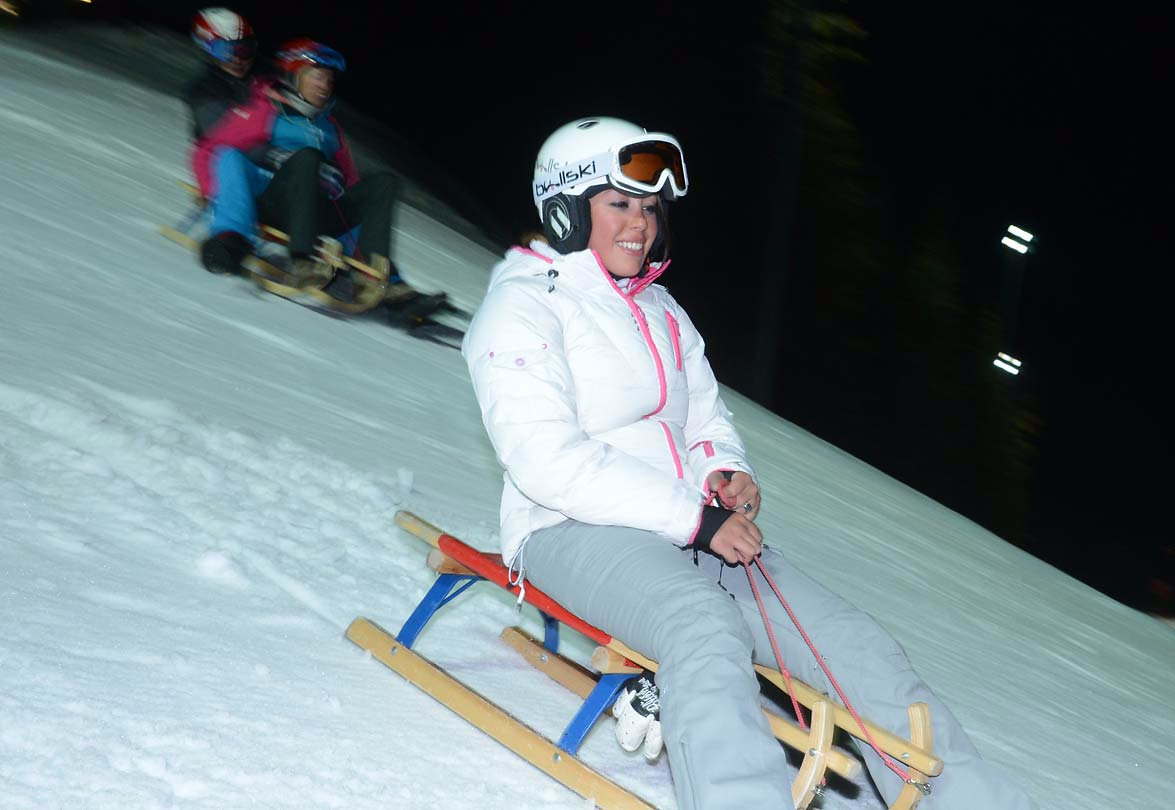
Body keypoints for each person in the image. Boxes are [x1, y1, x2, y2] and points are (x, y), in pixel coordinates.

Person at [461, 117, 1036, 809]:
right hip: (567, 531)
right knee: (702, 625)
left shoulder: (662, 309)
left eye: (650, 207)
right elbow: (546, 461)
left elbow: (704, 415)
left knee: (854, 644)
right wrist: (694, 520)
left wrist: (721, 471)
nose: (640, 224)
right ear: (564, 209)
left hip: (692, 529)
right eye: (618, 204)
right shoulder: (522, 309)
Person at [192, 38, 415, 312]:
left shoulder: (330, 127)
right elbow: (212, 151)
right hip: (275, 204)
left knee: (383, 182)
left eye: (329, 80)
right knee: (303, 158)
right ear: (295, 75)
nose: (325, 86)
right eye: (317, 77)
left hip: (319, 212)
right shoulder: (266, 110)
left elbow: (351, 186)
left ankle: (379, 274)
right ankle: (300, 259)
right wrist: (211, 195)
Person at [181, 8, 256, 143]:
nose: (237, 59)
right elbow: (223, 137)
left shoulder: (262, 80)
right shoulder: (203, 92)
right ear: (207, 52)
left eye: (244, 50)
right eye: (224, 52)